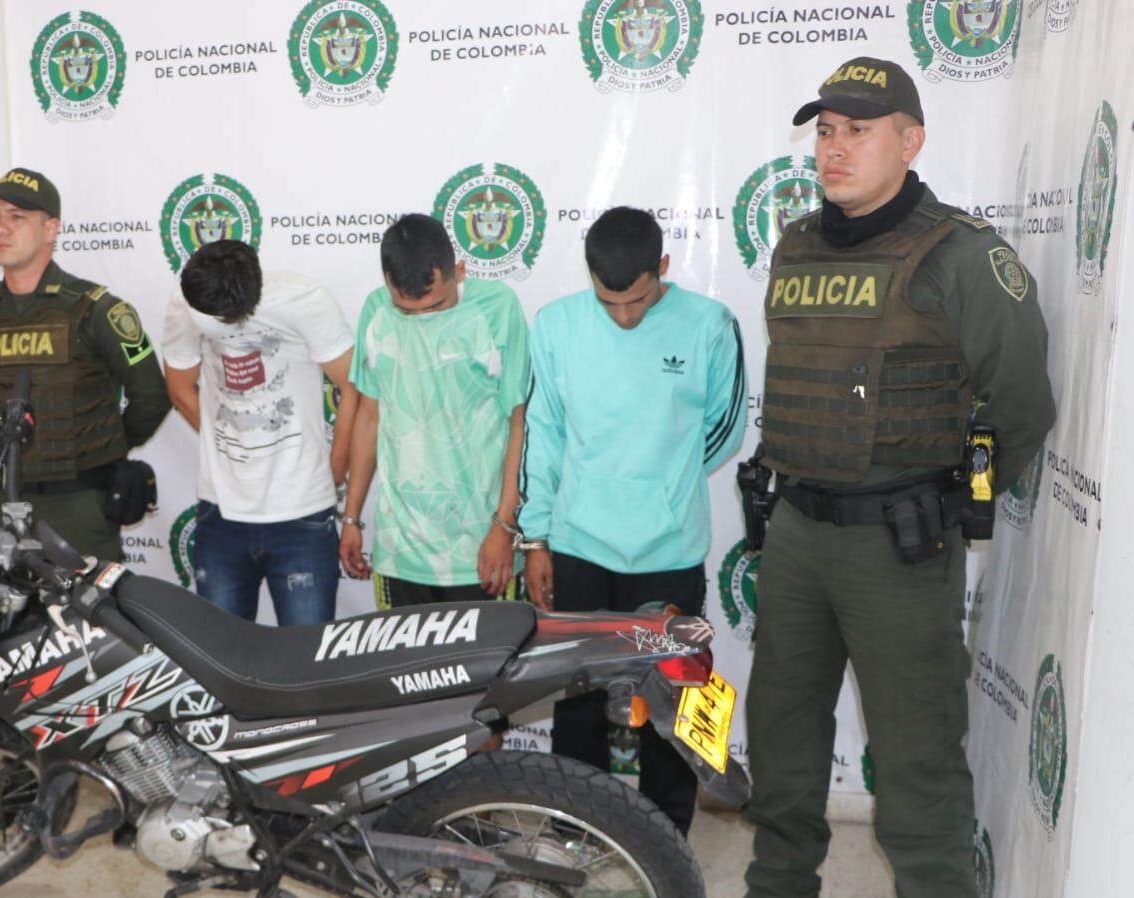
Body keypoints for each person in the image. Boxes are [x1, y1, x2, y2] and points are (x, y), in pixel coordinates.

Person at [701, 58, 1055, 898]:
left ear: (912, 140)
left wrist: (954, 502)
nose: (836, 147)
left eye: (861, 129)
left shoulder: (956, 257)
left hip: (900, 547)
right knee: (781, 727)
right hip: (802, 535)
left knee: (914, 763)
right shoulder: (797, 243)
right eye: (825, 130)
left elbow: (1022, 405)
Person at [521, 207, 746, 836]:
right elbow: (544, 435)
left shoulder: (710, 325)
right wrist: (536, 536)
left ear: (663, 269)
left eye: (639, 300)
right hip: (578, 545)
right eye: (609, 302)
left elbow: (725, 428)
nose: (625, 315)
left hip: (670, 548)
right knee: (578, 702)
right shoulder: (557, 325)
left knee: (681, 691)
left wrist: (661, 482)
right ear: (589, 278)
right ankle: (576, 827)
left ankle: (673, 833)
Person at [0, 168, 170, 562]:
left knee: (85, 620)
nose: (1, 228)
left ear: (51, 229)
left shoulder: (96, 310)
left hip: (79, 510)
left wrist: (101, 449)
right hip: (0, 508)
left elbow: (151, 397)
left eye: (17, 217)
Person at [161, 239, 358, 624]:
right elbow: (180, 386)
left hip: (302, 514)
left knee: (306, 662)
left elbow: (354, 387)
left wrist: (334, 470)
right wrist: (229, 443)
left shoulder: (303, 299)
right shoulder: (188, 300)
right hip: (220, 513)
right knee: (221, 661)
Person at [338, 214, 530, 608]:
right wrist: (352, 517)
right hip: (400, 553)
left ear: (458, 270)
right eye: (406, 310)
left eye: (435, 306)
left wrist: (504, 526)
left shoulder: (498, 308)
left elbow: (519, 423)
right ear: (388, 284)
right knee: (403, 670)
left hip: (482, 549)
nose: (422, 318)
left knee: (487, 671)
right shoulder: (375, 311)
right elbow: (370, 417)